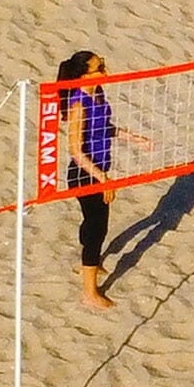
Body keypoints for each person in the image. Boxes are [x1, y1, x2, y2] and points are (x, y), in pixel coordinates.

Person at [56, 51, 149, 310]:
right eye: (100, 68)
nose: (106, 71)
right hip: (84, 174)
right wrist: (103, 180)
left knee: (94, 222)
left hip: (98, 171)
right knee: (97, 227)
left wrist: (134, 138)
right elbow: (76, 150)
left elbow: (104, 127)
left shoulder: (98, 94)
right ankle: (89, 292)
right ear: (84, 75)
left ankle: (88, 263)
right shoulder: (78, 105)